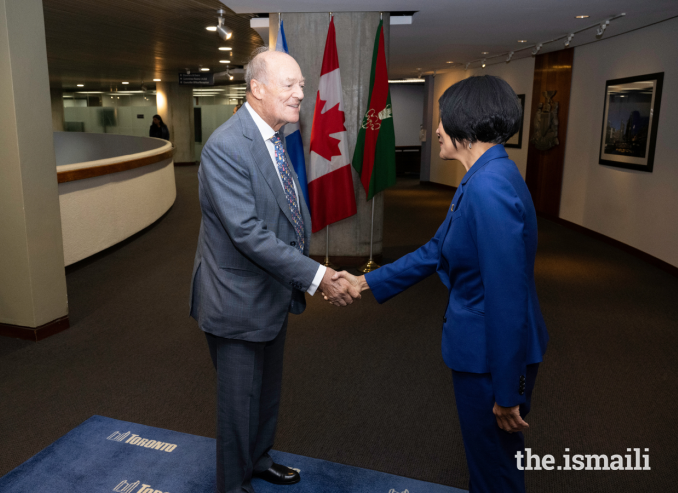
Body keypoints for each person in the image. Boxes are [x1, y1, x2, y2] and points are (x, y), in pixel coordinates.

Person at [334, 75, 549, 493]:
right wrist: (363, 283)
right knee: (489, 462)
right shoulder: (484, 176)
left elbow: (507, 298)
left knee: (495, 469)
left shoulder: (488, 187)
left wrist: (507, 393)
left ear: (464, 125)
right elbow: (436, 250)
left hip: (491, 358)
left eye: (441, 119)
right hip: (487, 352)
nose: (435, 130)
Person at [189, 47, 359, 493]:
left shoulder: (275, 139)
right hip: (235, 300)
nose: (302, 92)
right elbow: (247, 233)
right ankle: (233, 484)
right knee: (237, 406)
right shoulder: (226, 147)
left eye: (302, 84)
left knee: (264, 396)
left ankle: (259, 460)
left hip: (271, 292)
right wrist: (320, 277)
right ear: (257, 88)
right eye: (290, 84)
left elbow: (286, 219)